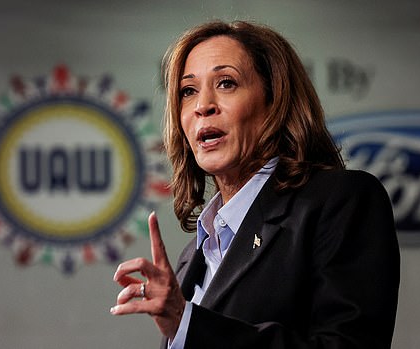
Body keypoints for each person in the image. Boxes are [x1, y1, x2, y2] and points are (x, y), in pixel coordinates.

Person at [110, 20, 400, 349]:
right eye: (187, 91)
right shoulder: (193, 255)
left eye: (226, 83)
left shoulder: (341, 202)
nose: (203, 105)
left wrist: (188, 324)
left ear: (274, 102)